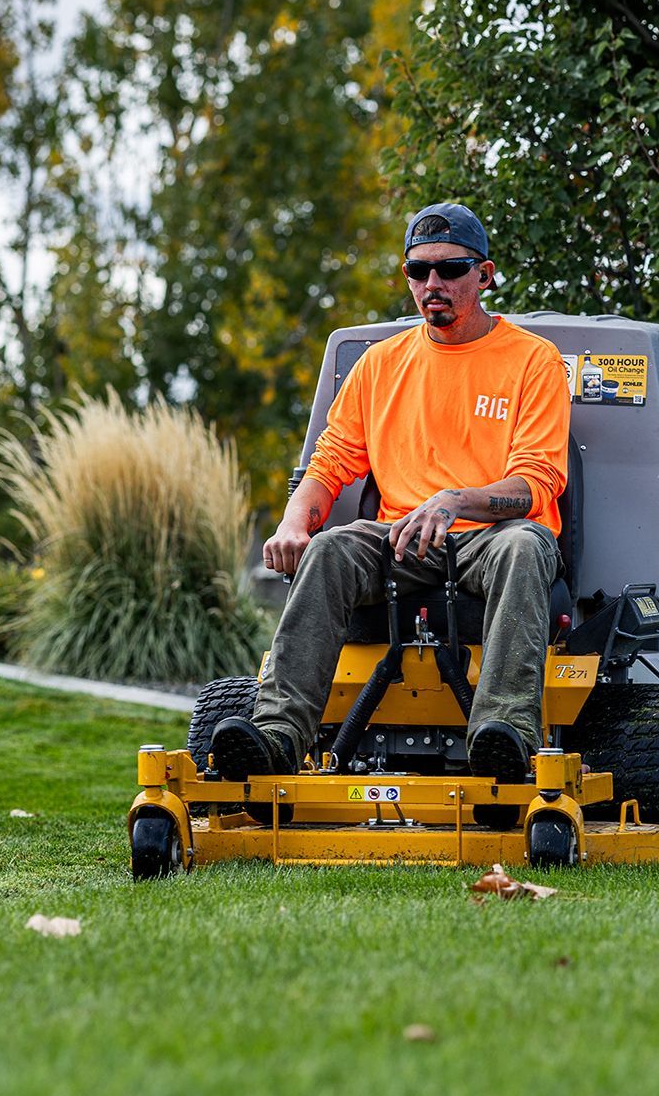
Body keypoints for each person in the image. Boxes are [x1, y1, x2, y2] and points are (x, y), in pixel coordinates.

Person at [211, 203, 571, 783]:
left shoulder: (534, 361)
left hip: (491, 540)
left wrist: (455, 500)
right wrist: (292, 524)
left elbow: (537, 482)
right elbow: (327, 464)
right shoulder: (380, 365)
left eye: (451, 269)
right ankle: (278, 737)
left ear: (484, 274)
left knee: (525, 545)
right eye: (418, 271)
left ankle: (502, 736)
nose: (434, 284)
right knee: (330, 548)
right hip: (402, 542)